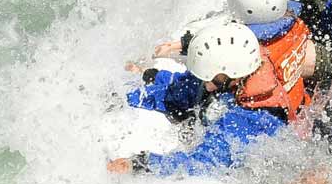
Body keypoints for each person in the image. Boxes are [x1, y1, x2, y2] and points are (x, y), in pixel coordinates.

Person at [130, 0, 316, 124]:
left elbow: (195, 84)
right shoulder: (293, 24)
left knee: (195, 100)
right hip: (296, 110)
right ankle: (151, 76)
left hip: (257, 110)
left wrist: (153, 76)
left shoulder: (243, 52)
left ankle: (146, 78)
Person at [109, 22, 286, 176]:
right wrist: (125, 96)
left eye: (212, 80)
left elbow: (202, 165)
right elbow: (181, 91)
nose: (207, 85)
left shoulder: (252, 116)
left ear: (234, 74)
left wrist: (139, 164)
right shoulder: (228, 76)